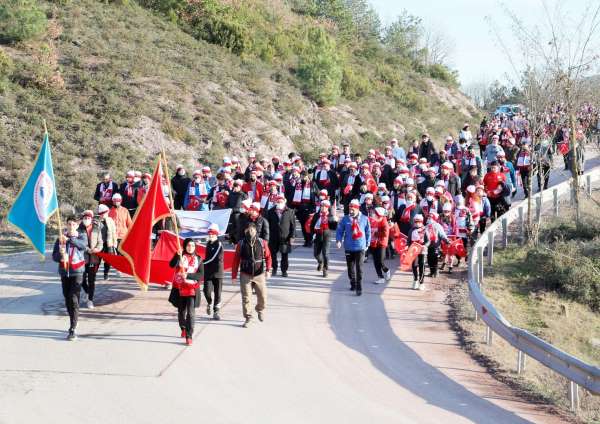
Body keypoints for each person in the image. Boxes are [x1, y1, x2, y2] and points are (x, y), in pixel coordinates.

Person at [52, 215, 88, 340]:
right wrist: (61, 256)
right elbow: (54, 256)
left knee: (73, 298)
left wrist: (69, 239)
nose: (71, 226)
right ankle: (73, 318)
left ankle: (72, 328)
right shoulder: (60, 238)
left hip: (77, 271)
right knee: (67, 298)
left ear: (77, 225)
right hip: (64, 271)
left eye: (74, 224)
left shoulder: (81, 236)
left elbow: (82, 246)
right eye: (69, 224)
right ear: (66, 225)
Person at [231, 224, 272, 328]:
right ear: (245, 231)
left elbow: (268, 257)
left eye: (252, 229)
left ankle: (260, 309)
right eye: (248, 229)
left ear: (255, 230)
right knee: (246, 298)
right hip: (245, 274)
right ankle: (248, 317)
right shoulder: (241, 243)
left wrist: (268, 269)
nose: (250, 231)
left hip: (259, 274)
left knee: (263, 296)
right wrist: (234, 276)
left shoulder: (262, 242)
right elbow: (236, 260)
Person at [169, 238, 204, 346]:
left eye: (193, 246)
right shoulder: (180, 256)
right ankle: (183, 327)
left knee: (191, 313)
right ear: (185, 246)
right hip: (179, 287)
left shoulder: (198, 259)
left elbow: (201, 275)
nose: (191, 247)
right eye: (188, 245)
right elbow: (171, 265)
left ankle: (189, 336)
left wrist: (188, 275)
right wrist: (176, 255)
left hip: (192, 288)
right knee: (181, 311)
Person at [336, 199, 371, 296]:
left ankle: (359, 287)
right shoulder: (345, 219)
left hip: (360, 247)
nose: (350, 211)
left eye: (352, 209)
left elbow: (368, 231)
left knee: (359, 268)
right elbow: (340, 230)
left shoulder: (364, 218)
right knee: (350, 268)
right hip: (349, 246)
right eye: (349, 209)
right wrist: (339, 240)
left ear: (357, 209)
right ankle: (353, 282)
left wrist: (368, 243)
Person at [78, 210, 103, 309]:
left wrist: (97, 249)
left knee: (92, 280)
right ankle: (87, 292)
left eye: (88, 218)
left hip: (94, 258)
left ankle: (90, 300)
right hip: (82, 258)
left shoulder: (96, 228)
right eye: (85, 218)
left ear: (91, 219)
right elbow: (78, 242)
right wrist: (87, 249)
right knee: (82, 279)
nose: (86, 220)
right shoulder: (79, 229)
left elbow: (100, 242)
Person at [266, 196, 296, 277]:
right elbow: (267, 225)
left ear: (284, 202)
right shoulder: (270, 211)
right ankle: (274, 268)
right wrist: (266, 237)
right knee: (273, 254)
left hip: (285, 237)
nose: (279, 203)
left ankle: (284, 270)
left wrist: (292, 236)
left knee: (284, 255)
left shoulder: (289, 211)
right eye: (278, 202)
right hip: (273, 237)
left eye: (281, 202)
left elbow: (293, 225)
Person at [310, 199, 338, 278]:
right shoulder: (317, 215)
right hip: (318, 235)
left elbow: (334, 228)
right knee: (316, 254)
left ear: (328, 207)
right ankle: (320, 262)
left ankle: (325, 269)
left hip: (326, 235)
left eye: (325, 207)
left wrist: (335, 221)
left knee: (325, 253)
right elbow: (312, 226)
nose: (323, 208)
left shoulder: (330, 215)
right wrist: (313, 234)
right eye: (322, 206)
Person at [106, 193, 132, 276]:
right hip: (114, 236)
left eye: (118, 201)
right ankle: (119, 269)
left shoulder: (125, 210)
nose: (116, 202)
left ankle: (122, 267)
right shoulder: (109, 212)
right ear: (113, 201)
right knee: (116, 253)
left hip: (123, 235)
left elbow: (129, 223)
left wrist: (131, 234)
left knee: (122, 253)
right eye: (115, 201)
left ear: (120, 201)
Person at [203, 224, 224, 320]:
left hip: (218, 272)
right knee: (206, 291)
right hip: (208, 272)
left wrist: (201, 263)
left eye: (212, 233)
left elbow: (213, 258)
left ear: (216, 234)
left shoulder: (219, 244)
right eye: (209, 233)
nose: (210, 235)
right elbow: (207, 257)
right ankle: (209, 302)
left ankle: (216, 311)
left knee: (217, 293)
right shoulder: (208, 244)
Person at [369, 207, 391, 285]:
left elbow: (385, 234)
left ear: (379, 215)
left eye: (375, 213)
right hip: (373, 243)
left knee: (380, 261)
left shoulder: (384, 222)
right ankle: (380, 277)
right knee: (375, 261)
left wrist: (376, 233)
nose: (373, 214)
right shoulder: (374, 220)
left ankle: (386, 270)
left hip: (381, 244)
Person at [408, 214, 429, 290]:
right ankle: (415, 280)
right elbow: (409, 241)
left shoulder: (425, 230)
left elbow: (428, 241)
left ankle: (421, 282)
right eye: (416, 222)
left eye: (419, 222)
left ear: (422, 222)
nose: (417, 223)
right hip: (413, 250)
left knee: (422, 265)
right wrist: (408, 247)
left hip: (422, 250)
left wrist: (425, 245)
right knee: (414, 265)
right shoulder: (411, 230)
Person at [97, 204, 117, 280]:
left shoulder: (110, 220)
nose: (106, 214)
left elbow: (114, 232)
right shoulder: (96, 221)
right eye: (104, 213)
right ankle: (93, 274)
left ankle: (106, 273)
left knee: (108, 260)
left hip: (108, 243)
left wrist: (114, 243)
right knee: (97, 260)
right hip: (99, 243)